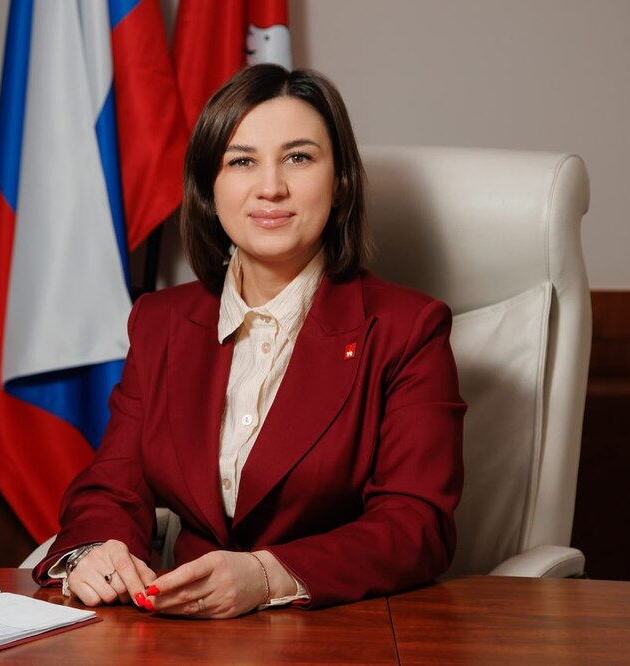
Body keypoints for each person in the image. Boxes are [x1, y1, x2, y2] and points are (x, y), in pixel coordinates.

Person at [32, 64, 464, 618]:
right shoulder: (161, 322)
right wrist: (97, 550)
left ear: (340, 182)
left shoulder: (408, 329)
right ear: (209, 190)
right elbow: (112, 487)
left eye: (298, 158)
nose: (271, 187)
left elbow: (416, 525)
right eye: (241, 161)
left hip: (338, 631)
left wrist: (266, 576)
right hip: (178, 632)